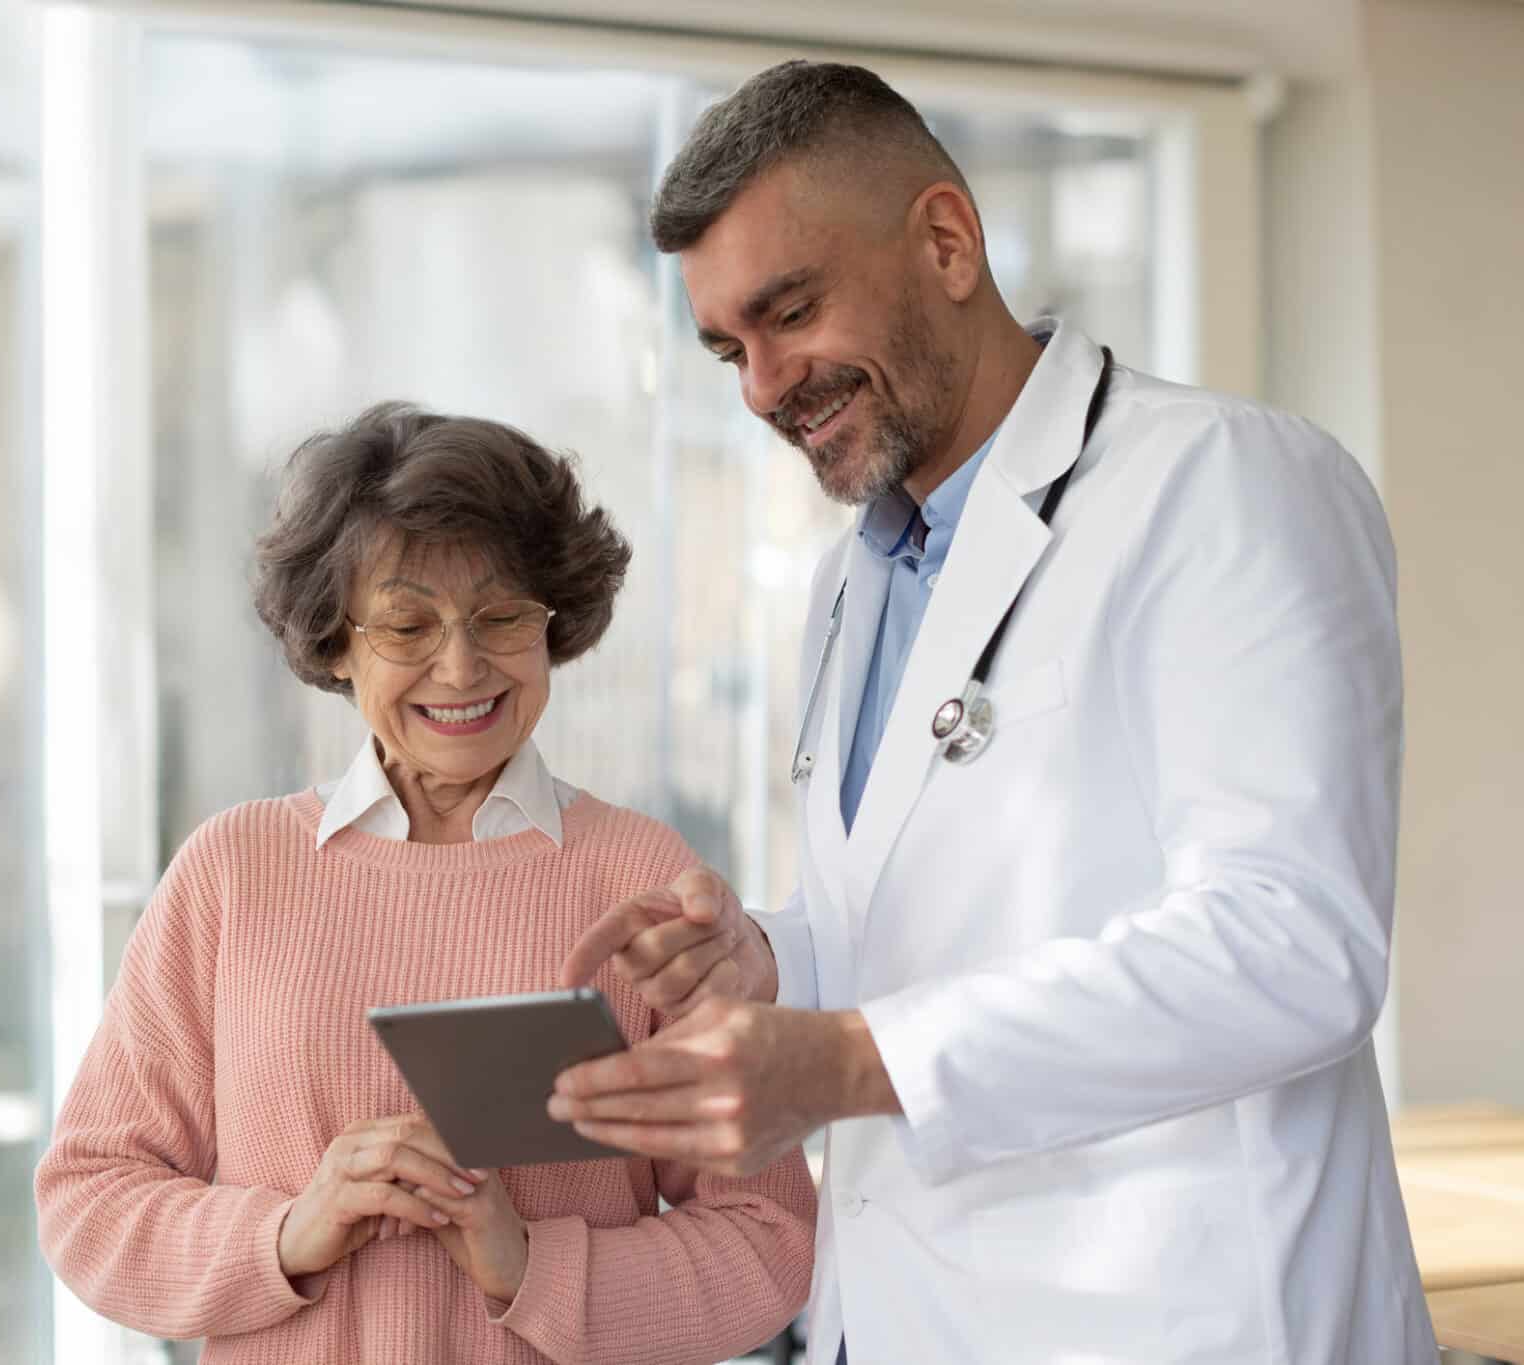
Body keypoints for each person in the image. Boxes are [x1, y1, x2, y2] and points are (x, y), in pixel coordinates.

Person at [549, 60, 1439, 1363]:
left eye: (789, 311)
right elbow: (936, 934)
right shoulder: (851, 584)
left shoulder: (1222, 485)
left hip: (1178, 1325)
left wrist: (845, 1059)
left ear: (949, 241)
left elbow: (1294, 945)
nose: (758, 386)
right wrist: (772, 966)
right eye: (730, 347)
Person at [34, 402, 815, 1365]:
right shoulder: (234, 875)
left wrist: (530, 1264)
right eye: (408, 624)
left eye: (501, 618)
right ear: (336, 642)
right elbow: (90, 1195)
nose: (461, 666)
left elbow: (767, 1238)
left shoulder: (641, 881)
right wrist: (286, 1233)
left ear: (554, 622)